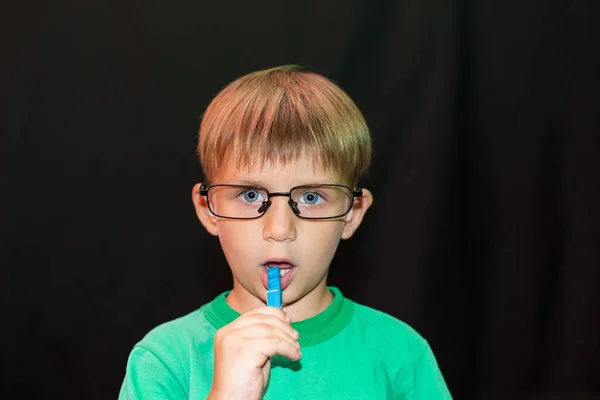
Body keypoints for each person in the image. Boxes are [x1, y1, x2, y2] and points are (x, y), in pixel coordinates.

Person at [118, 65, 452, 399]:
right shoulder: (165, 359)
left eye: (311, 197)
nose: (279, 229)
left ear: (352, 213)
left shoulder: (400, 355)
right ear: (208, 209)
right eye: (251, 195)